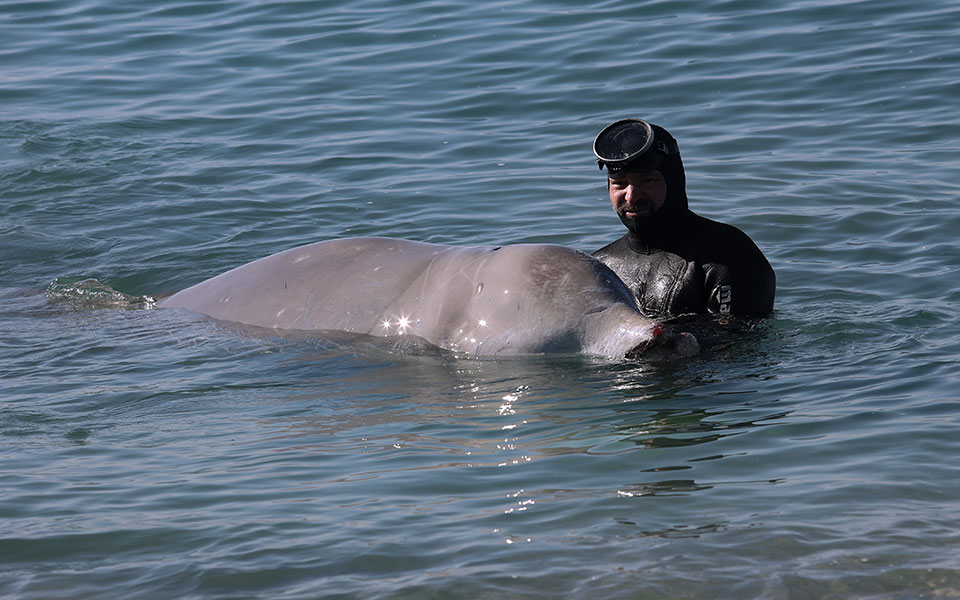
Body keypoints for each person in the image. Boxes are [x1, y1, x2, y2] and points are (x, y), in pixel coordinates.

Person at [591, 118, 776, 318]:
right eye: (620, 184)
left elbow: (736, 344)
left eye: (647, 181)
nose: (632, 196)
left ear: (674, 181)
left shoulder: (728, 256)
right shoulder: (599, 267)